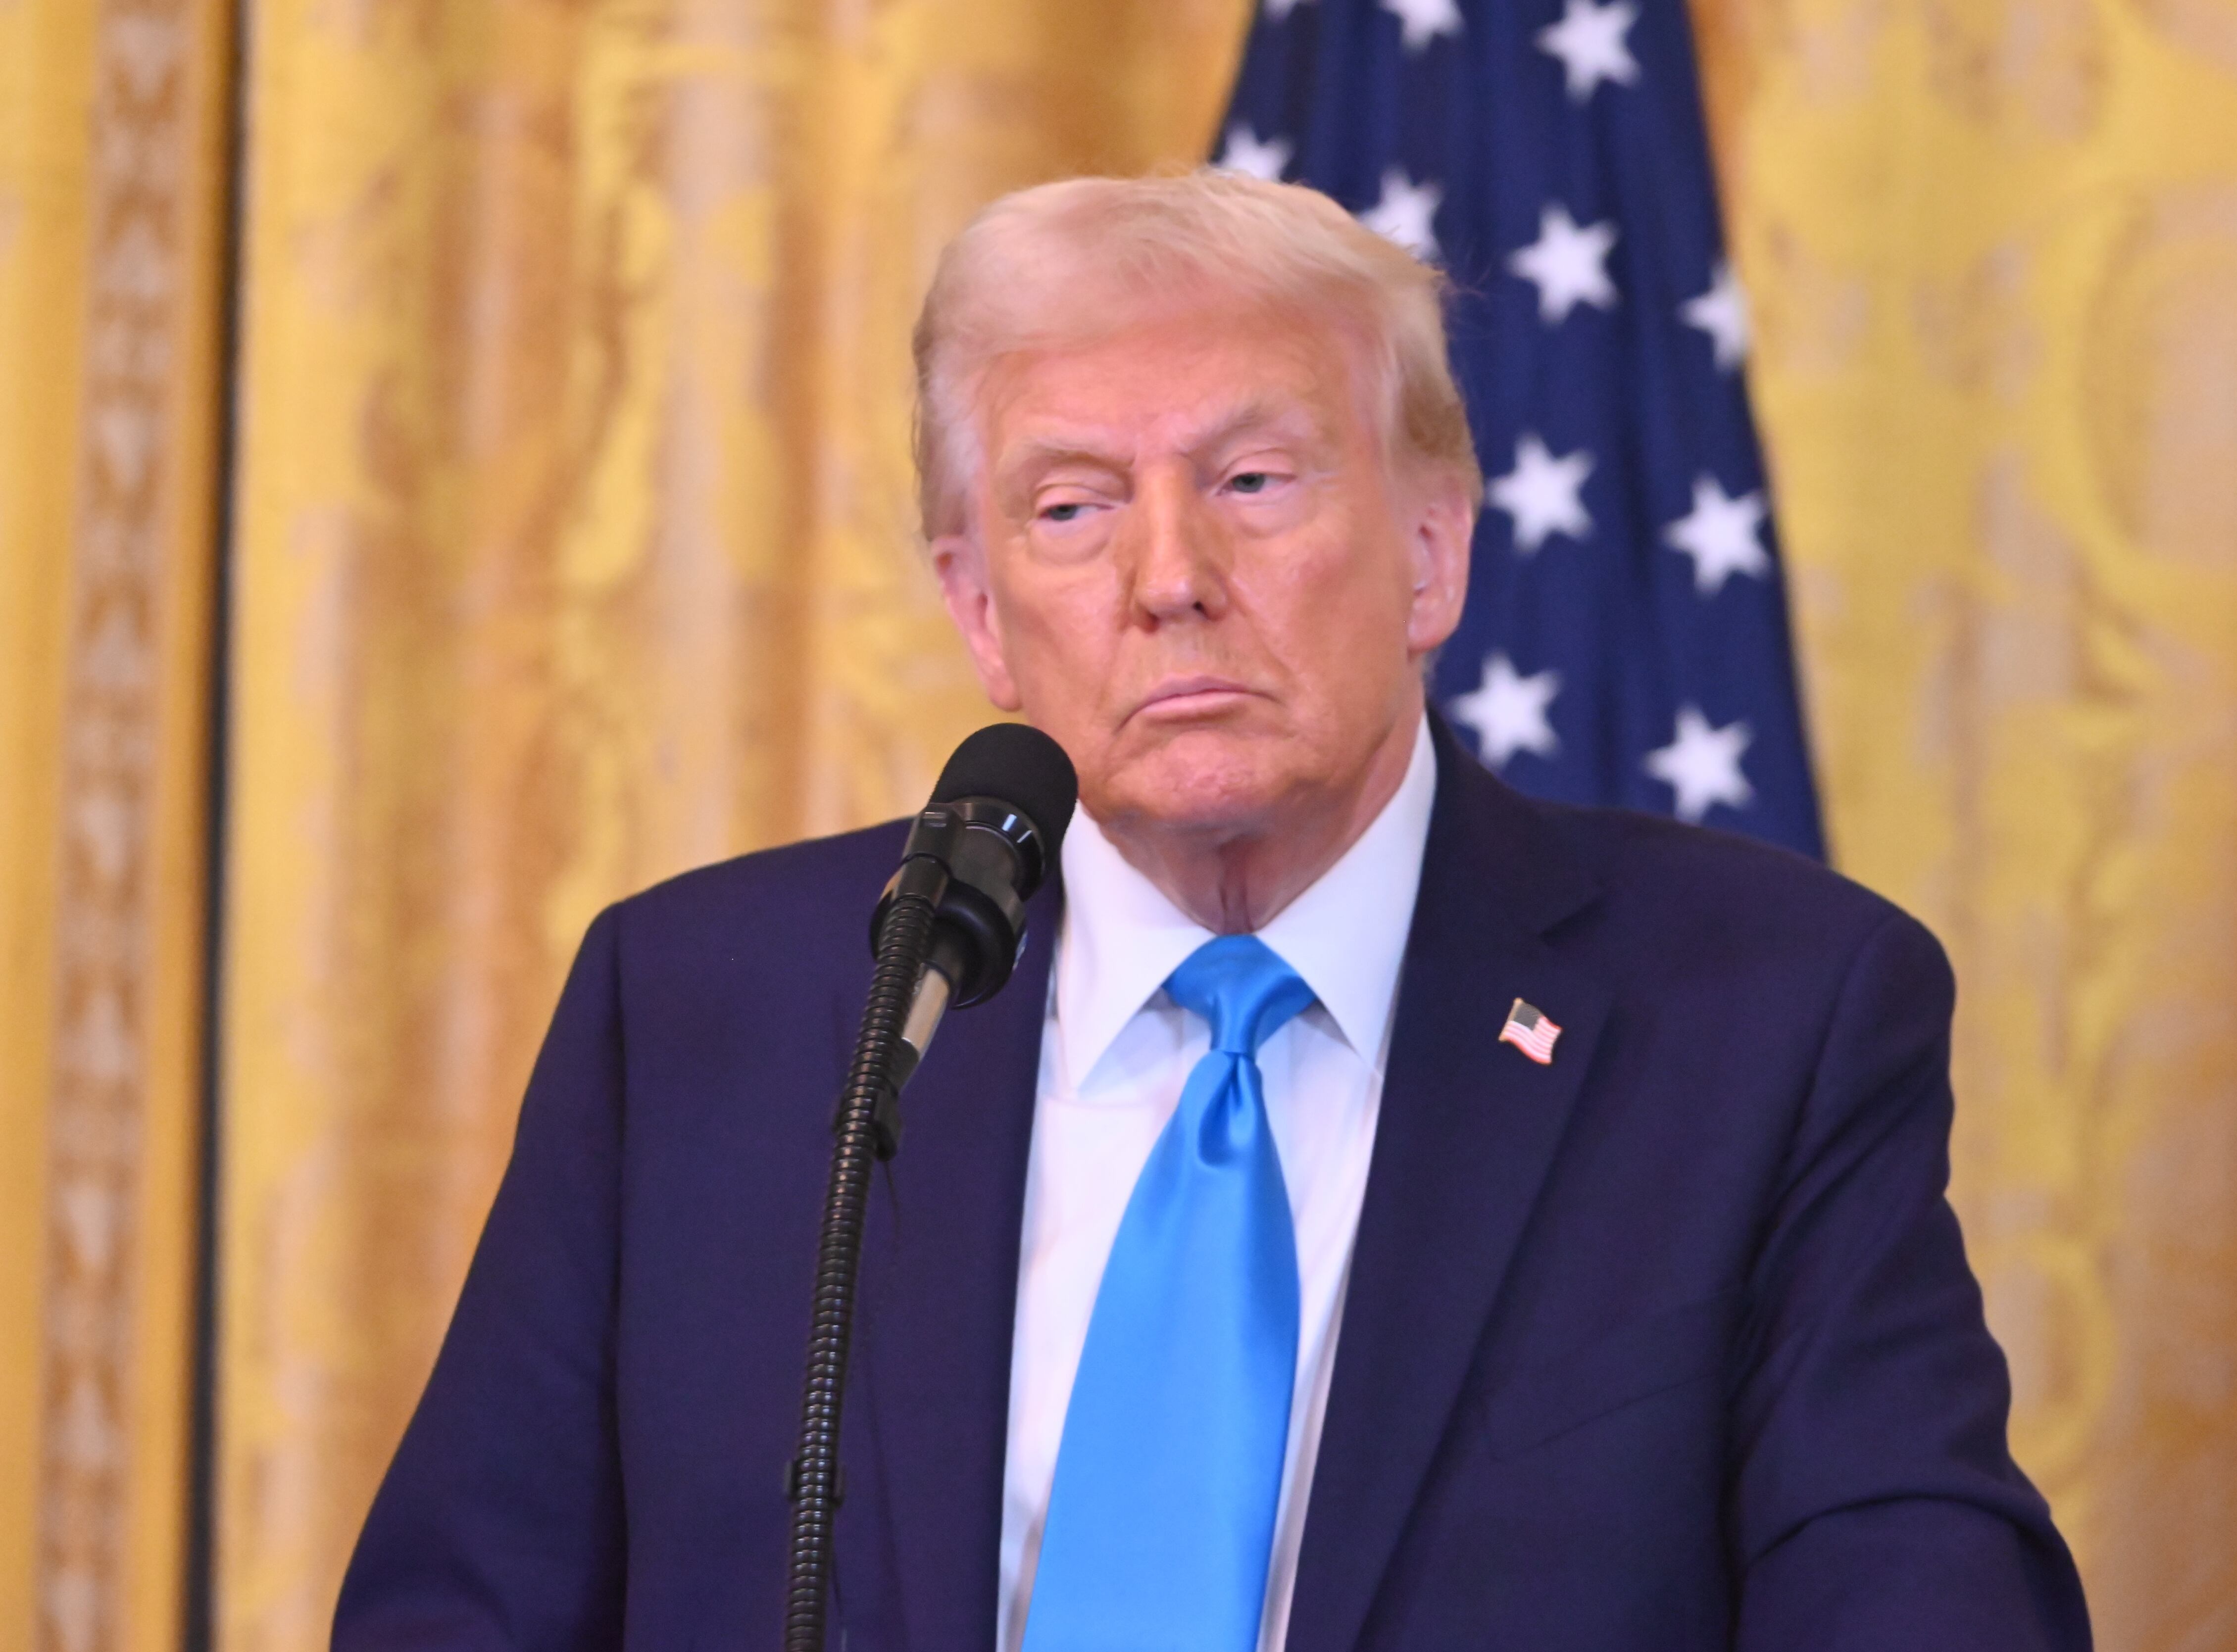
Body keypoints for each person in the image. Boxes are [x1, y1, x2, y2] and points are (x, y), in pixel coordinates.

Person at [335, 172, 2090, 1652]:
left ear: (1430, 550)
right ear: (979, 608)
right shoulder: (718, 1012)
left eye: (1255, 482)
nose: (1167, 577)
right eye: (1072, 506)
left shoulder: (1763, 1019)